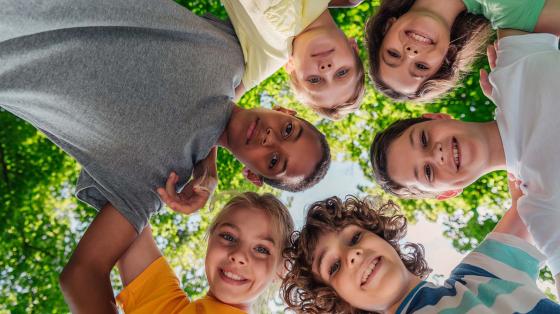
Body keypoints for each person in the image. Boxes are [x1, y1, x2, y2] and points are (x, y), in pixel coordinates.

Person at [0, 0, 330, 311]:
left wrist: (203, 160)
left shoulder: (162, 179)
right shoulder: (237, 52)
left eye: (273, 161)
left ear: (255, 176)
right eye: (288, 130)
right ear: (287, 111)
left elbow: (82, 274)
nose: (270, 138)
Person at [370, 30, 560, 297]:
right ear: (448, 192)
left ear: (437, 117)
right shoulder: (541, 208)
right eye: (427, 172)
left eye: (423, 139)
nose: (435, 154)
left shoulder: (512, 72)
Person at [281, 184, 560, 313]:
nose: (352, 255)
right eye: (334, 266)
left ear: (384, 238)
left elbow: (529, 198)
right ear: (338, 302)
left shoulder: (479, 275)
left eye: (355, 238)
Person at [113, 192, 294, 313]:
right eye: (228, 237)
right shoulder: (168, 308)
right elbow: (126, 201)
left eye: (261, 249)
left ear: (280, 271)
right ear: (210, 241)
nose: (238, 255)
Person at [364, 0, 560, 102]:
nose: (410, 53)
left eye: (393, 54)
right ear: (447, 57)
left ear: (387, 28)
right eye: (421, 67)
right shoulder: (513, 18)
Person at [223, 0, 366, 120]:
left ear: (291, 67)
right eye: (342, 72)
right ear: (353, 48)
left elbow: (220, 109)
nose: (326, 69)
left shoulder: (272, 54)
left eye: (314, 80)